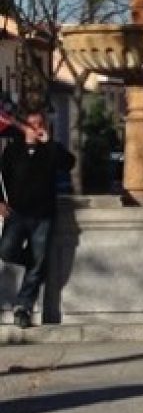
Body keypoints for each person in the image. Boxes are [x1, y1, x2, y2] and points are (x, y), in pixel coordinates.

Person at [0, 110, 75, 328]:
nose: (36, 128)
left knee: (38, 261)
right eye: (31, 123)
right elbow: (1, 177)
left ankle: (23, 307)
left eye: (40, 123)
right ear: (24, 127)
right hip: (18, 213)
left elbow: (68, 163)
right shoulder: (12, 151)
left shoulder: (50, 151)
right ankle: (35, 264)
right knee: (6, 251)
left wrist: (50, 142)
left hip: (43, 214)